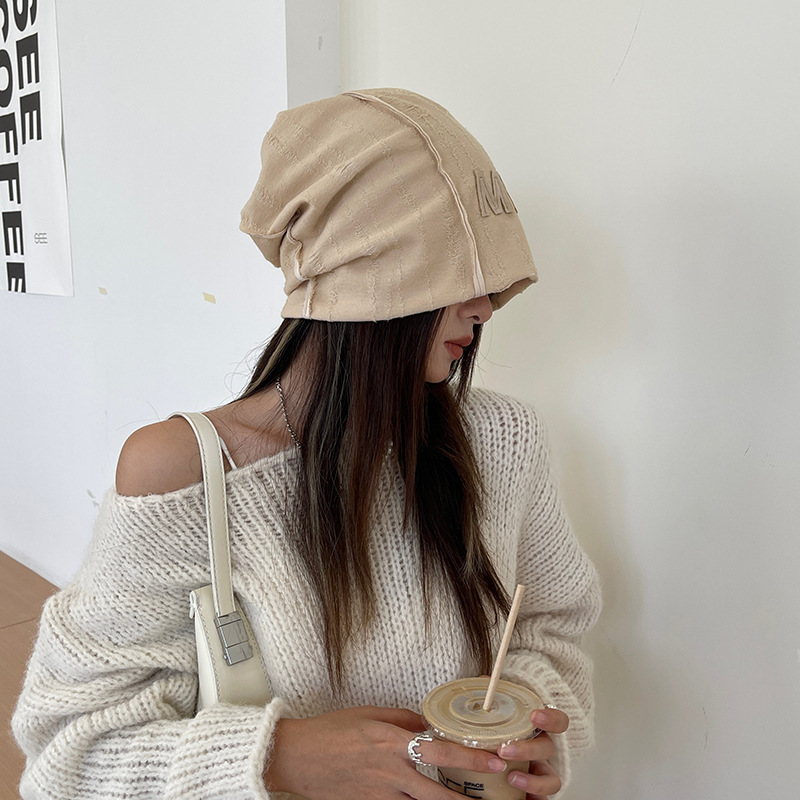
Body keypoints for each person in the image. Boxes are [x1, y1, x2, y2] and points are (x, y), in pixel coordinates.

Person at [12, 88, 601, 800]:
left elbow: (549, 628)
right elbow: (69, 755)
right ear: (366, 273)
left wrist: (532, 727)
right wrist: (278, 758)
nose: (485, 306)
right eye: (459, 276)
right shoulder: (187, 473)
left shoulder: (502, 441)